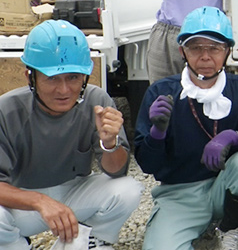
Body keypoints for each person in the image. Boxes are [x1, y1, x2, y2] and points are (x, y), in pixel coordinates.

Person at [134, 6, 238, 250]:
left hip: (225, 186)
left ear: (227, 51)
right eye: (196, 47)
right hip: (179, 194)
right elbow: (147, 165)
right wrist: (157, 134)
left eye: (215, 48)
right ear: (182, 51)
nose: (205, 56)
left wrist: (234, 137)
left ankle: (230, 226)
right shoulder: (162, 92)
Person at [0, 20, 142, 250]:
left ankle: (86, 239)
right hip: (24, 203)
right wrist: (39, 201)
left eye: (73, 77)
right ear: (30, 77)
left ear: (85, 77)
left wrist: (109, 143)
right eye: (52, 78)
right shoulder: (6, 110)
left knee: (128, 190)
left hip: (75, 192)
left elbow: (117, 171)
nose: (64, 90)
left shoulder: (97, 100)